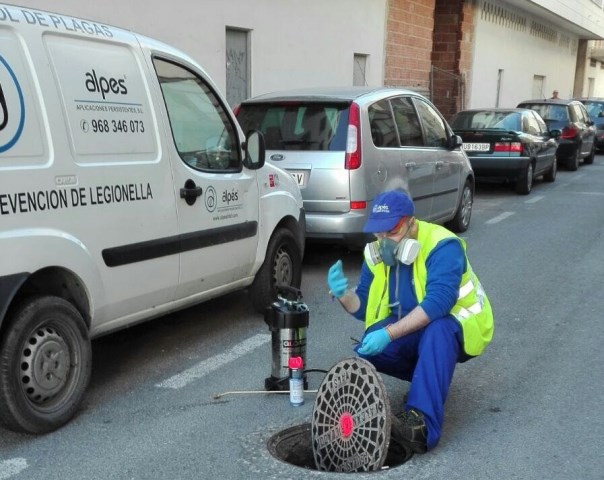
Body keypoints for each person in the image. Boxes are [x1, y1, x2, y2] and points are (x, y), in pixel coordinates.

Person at [327, 190, 494, 454]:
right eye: (378, 234)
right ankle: (425, 381)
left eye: (391, 232)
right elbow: (362, 306)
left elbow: (439, 302)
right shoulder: (378, 256)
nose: (384, 242)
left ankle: (421, 426)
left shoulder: (442, 245)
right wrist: (343, 295)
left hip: (460, 324)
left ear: (411, 223)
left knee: (437, 330)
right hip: (418, 328)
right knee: (370, 343)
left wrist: (390, 333)